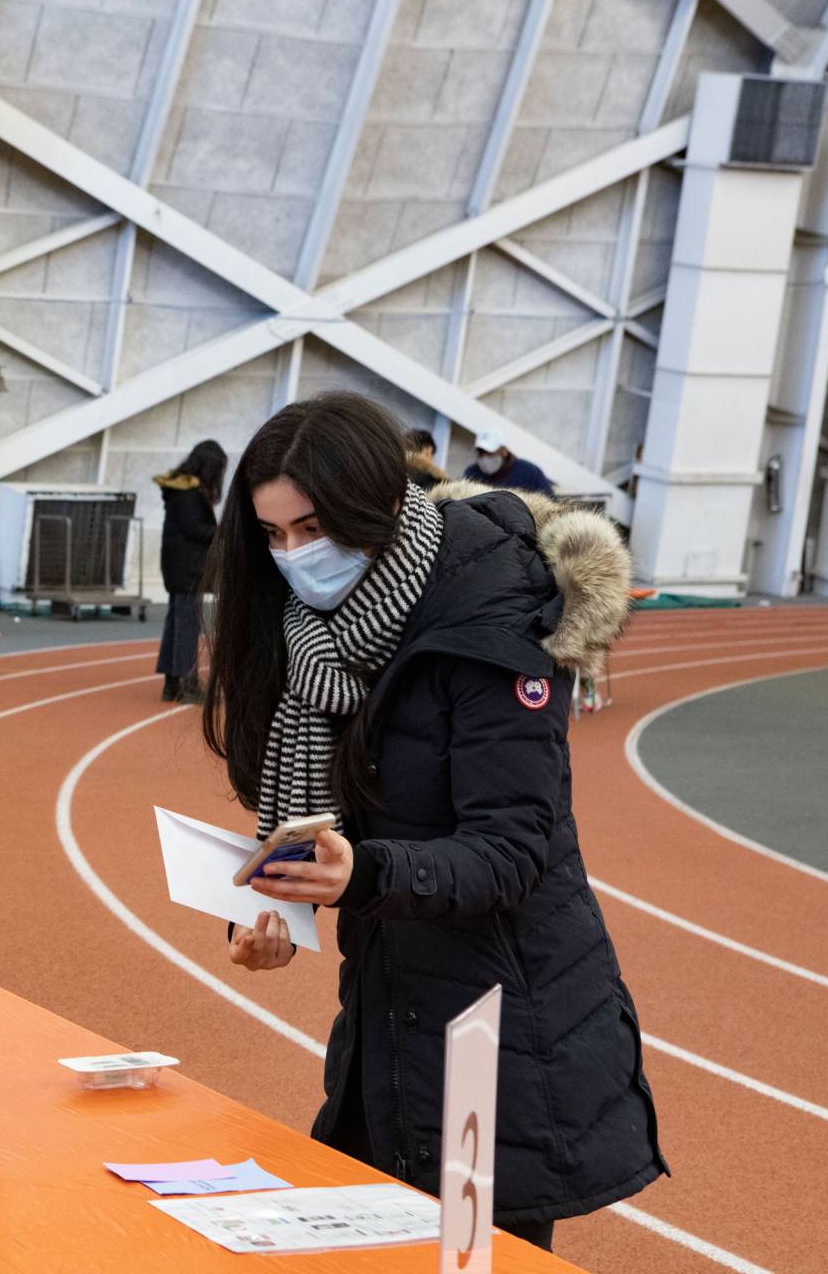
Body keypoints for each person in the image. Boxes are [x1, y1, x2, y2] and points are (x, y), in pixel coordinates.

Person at [200, 391, 664, 1250]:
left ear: (374, 504)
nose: (296, 557)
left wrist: (362, 873)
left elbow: (510, 851)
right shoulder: (318, 638)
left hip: (504, 1027)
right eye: (273, 537)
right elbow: (315, 816)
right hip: (390, 1006)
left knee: (468, 1258)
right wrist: (271, 910)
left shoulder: (493, 628)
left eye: (312, 528)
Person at [154, 439, 226, 702]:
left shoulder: (180, 487)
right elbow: (195, 529)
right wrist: (224, 533)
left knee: (176, 624)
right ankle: (188, 683)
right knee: (186, 625)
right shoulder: (188, 491)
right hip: (187, 567)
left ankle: (172, 683)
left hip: (178, 565)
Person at [465, 426, 554, 495]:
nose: (484, 458)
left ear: (504, 451)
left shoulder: (529, 473)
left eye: (490, 453)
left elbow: (550, 503)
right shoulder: (471, 474)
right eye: (481, 453)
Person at [404, 427, 445, 491]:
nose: (432, 460)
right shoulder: (434, 480)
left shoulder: (392, 466)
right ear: (428, 450)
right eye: (432, 456)